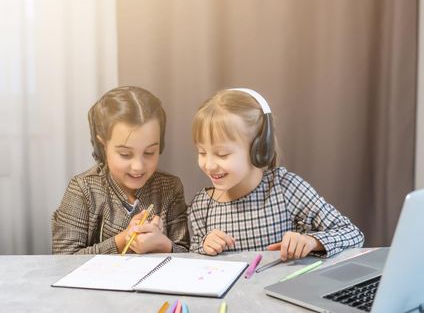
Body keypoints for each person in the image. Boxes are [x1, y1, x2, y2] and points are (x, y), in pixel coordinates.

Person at [188, 88, 364, 260]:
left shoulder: (286, 188)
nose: (209, 165)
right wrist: (204, 246)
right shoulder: (202, 205)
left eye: (222, 154)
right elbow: (192, 255)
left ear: (259, 149)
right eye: (202, 152)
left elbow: (353, 233)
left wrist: (311, 241)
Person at [52, 86, 189, 254]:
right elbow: (63, 259)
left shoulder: (170, 187)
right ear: (103, 145)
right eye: (125, 154)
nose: (138, 166)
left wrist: (164, 245)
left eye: (149, 152)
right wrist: (122, 240)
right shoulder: (83, 189)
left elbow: (185, 253)